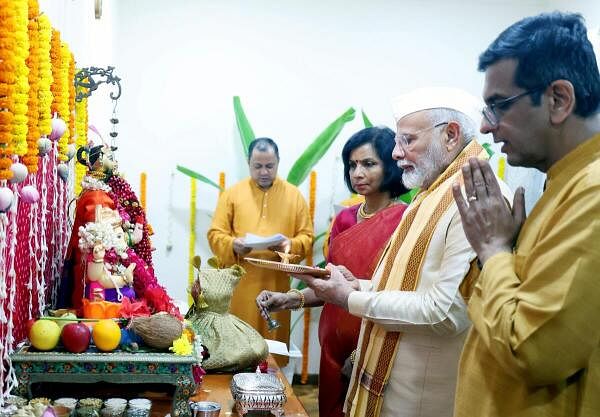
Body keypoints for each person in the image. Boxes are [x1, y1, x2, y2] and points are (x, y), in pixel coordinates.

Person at [295, 87, 511, 417]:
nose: (396, 153)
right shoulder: (429, 195)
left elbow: (446, 312)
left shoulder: (477, 198)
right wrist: (357, 286)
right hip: (388, 391)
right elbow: (406, 288)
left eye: (407, 140)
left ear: (450, 136)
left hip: (422, 400)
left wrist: (351, 299)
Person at [453, 12, 600, 417]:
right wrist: (506, 250)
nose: (485, 127)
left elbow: (530, 351)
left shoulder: (593, 192)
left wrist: (495, 250)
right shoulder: (563, 182)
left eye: (498, 105)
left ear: (558, 100)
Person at [256, 126, 408, 417]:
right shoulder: (344, 219)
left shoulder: (405, 220)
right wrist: (289, 299)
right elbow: (329, 285)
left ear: (390, 165)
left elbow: (401, 290)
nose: (357, 173)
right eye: (352, 165)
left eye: (368, 164)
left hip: (375, 340)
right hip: (332, 343)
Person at [207, 138, 313, 343]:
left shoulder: (294, 196)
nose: (264, 172)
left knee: (272, 349)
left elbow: (307, 238)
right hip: (240, 286)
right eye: (258, 166)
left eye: (269, 166)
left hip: (276, 286)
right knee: (239, 345)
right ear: (249, 163)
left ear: (278, 163)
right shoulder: (232, 194)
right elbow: (215, 234)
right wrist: (233, 245)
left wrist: (288, 245)